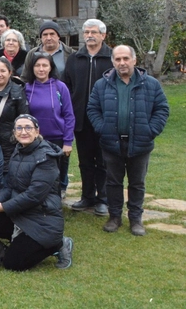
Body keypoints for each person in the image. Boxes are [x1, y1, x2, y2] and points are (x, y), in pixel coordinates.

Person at [87, 45, 169, 236]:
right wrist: (102, 128)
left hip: (140, 143)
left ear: (134, 60)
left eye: (125, 58)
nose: (122, 63)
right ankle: (114, 217)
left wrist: (151, 131)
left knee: (137, 183)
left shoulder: (151, 84)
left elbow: (162, 109)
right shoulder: (102, 85)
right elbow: (93, 109)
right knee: (113, 182)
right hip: (111, 143)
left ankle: (136, 219)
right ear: (113, 62)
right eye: (118, 59)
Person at [0, 114, 73, 270]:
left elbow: (33, 196)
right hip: (21, 213)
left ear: (37, 131)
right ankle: (21, 239)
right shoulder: (18, 150)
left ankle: (59, 244)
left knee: (12, 264)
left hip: (43, 219)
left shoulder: (46, 157)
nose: (23, 132)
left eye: (28, 128)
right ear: (14, 132)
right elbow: (10, 186)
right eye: (19, 128)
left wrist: (3, 207)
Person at [63, 19, 112, 216]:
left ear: (103, 35)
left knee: (103, 160)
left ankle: (103, 199)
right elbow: (67, 86)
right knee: (85, 161)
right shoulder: (75, 59)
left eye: (94, 32)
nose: (89, 35)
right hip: (81, 118)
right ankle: (87, 196)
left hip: (104, 119)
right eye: (86, 32)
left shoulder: (111, 58)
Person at [23, 52, 75, 195]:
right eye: (37, 65)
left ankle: (58, 195)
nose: (41, 69)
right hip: (34, 138)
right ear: (32, 68)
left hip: (57, 137)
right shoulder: (26, 88)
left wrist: (68, 141)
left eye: (45, 65)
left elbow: (69, 115)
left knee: (57, 171)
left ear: (51, 67)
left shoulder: (60, 87)